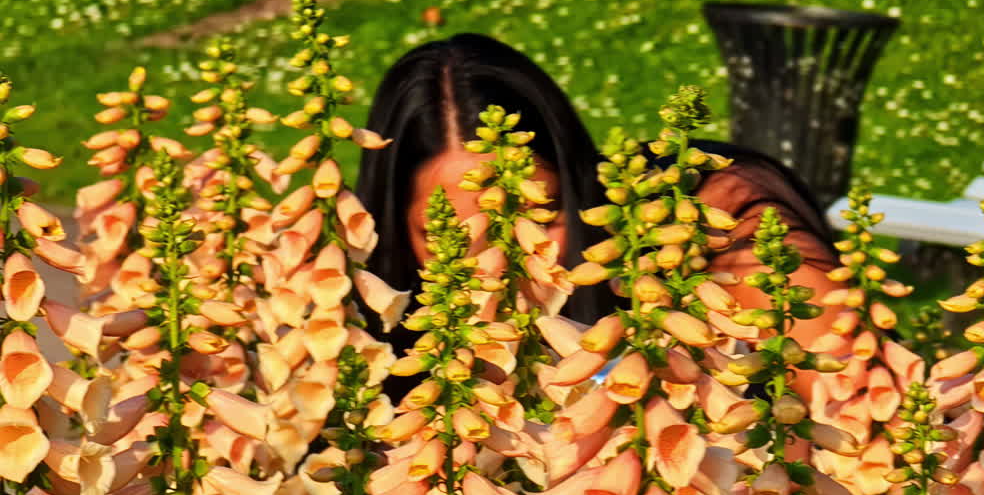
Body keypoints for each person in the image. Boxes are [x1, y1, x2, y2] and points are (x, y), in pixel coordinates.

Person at [355, 34, 844, 393]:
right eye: (454, 241)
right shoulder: (356, 308)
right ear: (393, 231)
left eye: (541, 217)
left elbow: (859, 414)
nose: (499, 271)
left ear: (580, 186)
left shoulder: (705, 221)